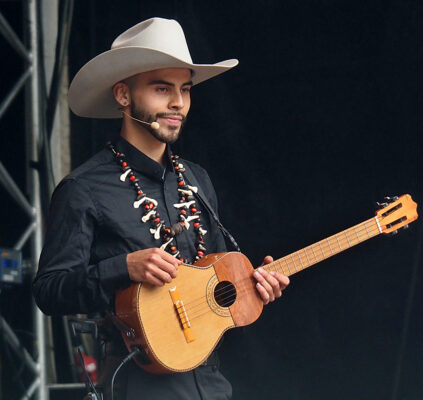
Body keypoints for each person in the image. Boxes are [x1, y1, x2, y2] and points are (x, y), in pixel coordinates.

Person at [32, 17, 289, 399]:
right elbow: (49, 291)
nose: (178, 103)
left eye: (185, 89)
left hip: (211, 383)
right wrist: (122, 268)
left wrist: (256, 287)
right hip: (138, 385)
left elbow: (219, 279)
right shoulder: (84, 188)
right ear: (123, 96)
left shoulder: (197, 179)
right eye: (161, 88)